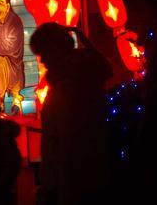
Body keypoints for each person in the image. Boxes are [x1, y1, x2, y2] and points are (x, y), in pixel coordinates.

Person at [30, 23, 111, 205]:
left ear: (55, 50)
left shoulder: (69, 88)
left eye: (43, 53)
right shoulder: (81, 77)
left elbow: (65, 141)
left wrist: (51, 181)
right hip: (77, 175)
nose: (41, 60)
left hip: (72, 178)